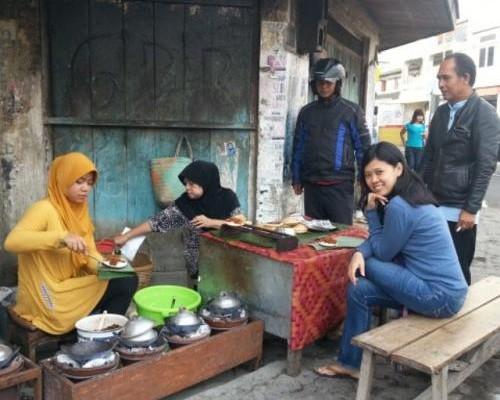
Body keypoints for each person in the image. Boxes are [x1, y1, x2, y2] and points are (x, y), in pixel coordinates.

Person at [314, 142, 467, 379]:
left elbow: (383, 252)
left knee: (367, 265)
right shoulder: (412, 194)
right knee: (359, 289)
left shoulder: (400, 206)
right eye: (368, 175)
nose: (373, 180)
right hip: (443, 293)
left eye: (379, 172)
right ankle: (350, 363)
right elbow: (382, 241)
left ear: (398, 169)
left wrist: (371, 214)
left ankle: (342, 335)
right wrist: (360, 252)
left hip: (438, 296)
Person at [4, 152, 138, 335]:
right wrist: (61, 237)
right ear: (63, 179)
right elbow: (12, 242)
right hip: (48, 296)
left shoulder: (80, 212)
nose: (85, 188)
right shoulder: (44, 209)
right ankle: (88, 334)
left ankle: (104, 334)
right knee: (122, 282)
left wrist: (107, 267)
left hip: (69, 287)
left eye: (89, 183)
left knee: (126, 278)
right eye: (79, 182)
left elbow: (89, 254)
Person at [420, 52, 500, 285]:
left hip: (459, 210)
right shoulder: (442, 112)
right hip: (433, 203)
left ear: (465, 78)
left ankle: (460, 308)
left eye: (446, 78)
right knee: (431, 265)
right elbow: (428, 158)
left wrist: (470, 209)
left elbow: (485, 166)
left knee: (457, 270)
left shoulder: (484, 114)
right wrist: (416, 193)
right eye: (439, 78)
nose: (441, 84)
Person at [113, 160, 244, 279]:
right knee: (194, 293)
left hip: (224, 264)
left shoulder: (228, 198)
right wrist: (126, 237)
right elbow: (156, 222)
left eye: (192, 184)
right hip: (195, 269)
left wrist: (211, 222)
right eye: (186, 183)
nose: (187, 187)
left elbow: (240, 226)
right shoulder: (186, 203)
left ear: (206, 182)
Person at [291, 58, 371, 225]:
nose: (324, 87)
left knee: (341, 233)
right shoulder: (306, 113)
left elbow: (363, 148)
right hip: (312, 186)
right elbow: (298, 147)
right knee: (314, 233)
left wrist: (364, 178)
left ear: (338, 83)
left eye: (328, 83)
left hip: (340, 186)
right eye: (320, 83)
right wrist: (296, 177)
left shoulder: (352, 111)